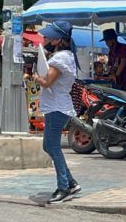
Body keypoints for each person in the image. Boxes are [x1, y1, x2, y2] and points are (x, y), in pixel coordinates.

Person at [33, 21, 81, 204]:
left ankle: (63, 187)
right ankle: (71, 182)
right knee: (48, 146)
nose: (45, 38)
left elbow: (47, 83)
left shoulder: (59, 59)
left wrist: (36, 77)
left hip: (56, 107)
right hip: (59, 106)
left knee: (52, 147)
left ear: (58, 39)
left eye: (49, 36)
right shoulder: (67, 56)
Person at [101, 29, 126, 93]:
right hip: (119, 82)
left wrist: (116, 76)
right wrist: (108, 75)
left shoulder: (123, 47)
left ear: (113, 39)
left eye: (107, 41)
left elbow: (123, 62)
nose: (106, 43)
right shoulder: (111, 51)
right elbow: (110, 65)